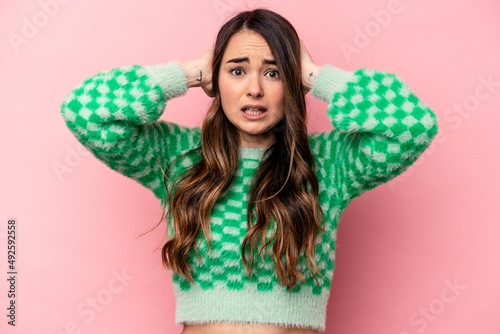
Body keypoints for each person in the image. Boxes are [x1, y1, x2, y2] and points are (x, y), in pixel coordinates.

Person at [60, 8, 439, 334]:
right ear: (216, 79)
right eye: (237, 71)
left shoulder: (330, 163)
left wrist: (312, 75)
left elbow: (414, 125)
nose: (254, 89)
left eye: (273, 73)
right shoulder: (178, 158)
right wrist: (189, 72)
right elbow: (85, 111)